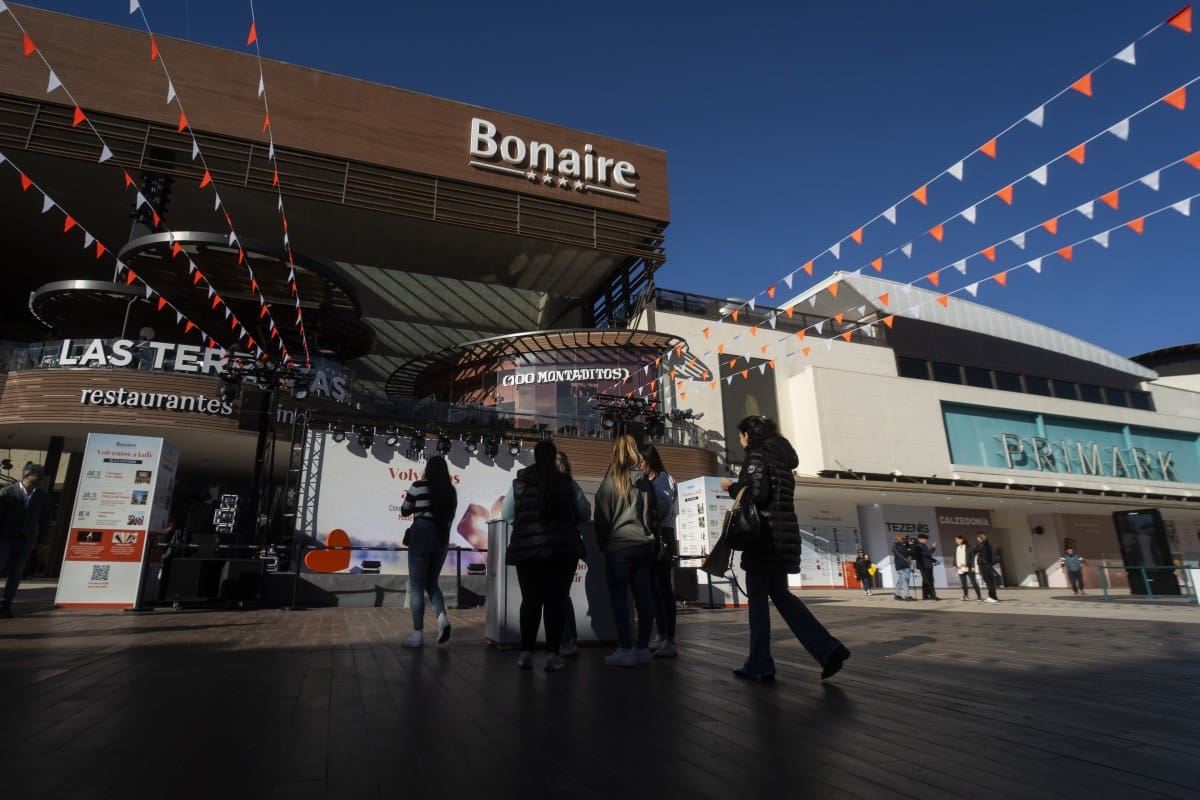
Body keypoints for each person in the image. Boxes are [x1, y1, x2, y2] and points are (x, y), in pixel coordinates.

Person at [720, 416, 850, 681]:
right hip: (782, 539)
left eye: (741, 435)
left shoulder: (757, 456)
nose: (741, 440)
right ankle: (828, 649)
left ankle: (760, 664)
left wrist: (731, 487)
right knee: (781, 595)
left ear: (748, 434)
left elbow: (757, 495)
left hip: (763, 540)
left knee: (758, 601)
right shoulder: (782, 459)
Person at [501, 441, 590, 671]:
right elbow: (584, 511)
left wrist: (525, 524)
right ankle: (553, 655)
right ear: (553, 457)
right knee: (556, 602)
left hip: (528, 549)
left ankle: (526, 653)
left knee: (530, 601)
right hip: (562, 550)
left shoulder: (520, 482)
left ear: (535, 457)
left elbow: (507, 513)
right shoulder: (567, 482)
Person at [594, 434, 658, 667]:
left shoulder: (610, 482)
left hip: (619, 546)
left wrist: (603, 542)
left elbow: (601, 519)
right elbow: (653, 514)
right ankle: (643, 648)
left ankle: (625, 648)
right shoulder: (645, 482)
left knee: (620, 598)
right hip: (644, 544)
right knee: (644, 597)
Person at [400, 456, 457, 647]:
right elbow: (450, 517)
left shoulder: (418, 486)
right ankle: (442, 618)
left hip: (421, 534)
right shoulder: (451, 491)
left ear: (428, 469)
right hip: (441, 537)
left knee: (417, 586)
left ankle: (417, 634)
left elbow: (405, 510)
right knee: (432, 582)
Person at [640, 443, 679, 658]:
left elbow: (663, 506)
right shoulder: (648, 480)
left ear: (650, 461)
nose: (639, 465)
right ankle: (661, 633)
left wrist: (649, 518)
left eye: (641, 461)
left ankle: (669, 638)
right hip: (653, 535)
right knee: (654, 587)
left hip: (662, 535)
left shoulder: (663, 479)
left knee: (663, 587)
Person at [0, 463, 51, 618]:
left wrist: (42, 542)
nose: (40, 479)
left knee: (16, 574)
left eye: (41, 477)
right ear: (26, 476)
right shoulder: (8, 492)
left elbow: (45, 520)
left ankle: (5, 605)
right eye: (37, 476)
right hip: (5, 538)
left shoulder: (42, 496)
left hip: (26, 540)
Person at [554, 451, 586, 657]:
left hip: (549, 544)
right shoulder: (571, 485)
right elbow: (585, 512)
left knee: (551, 595)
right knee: (562, 594)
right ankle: (568, 639)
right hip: (569, 545)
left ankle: (561, 640)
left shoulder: (542, 484)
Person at [953, 534, 982, 601]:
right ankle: (966, 596)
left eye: (957, 539)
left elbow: (972, 558)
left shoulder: (969, 547)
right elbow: (955, 557)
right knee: (963, 583)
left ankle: (979, 596)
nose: (956, 541)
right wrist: (954, 565)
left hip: (968, 567)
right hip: (960, 568)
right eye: (955, 540)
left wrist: (973, 566)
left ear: (961, 539)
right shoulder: (957, 548)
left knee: (973, 582)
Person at [975, 531, 1000, 603]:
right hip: (985, 564)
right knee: (988, 581)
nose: (977, 539)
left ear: (981, 538)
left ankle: (993, 597)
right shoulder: (984, 545)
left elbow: (984, 556)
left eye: (978, 537)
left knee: (989, 581)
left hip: (985, 565)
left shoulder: (984, 545)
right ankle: (992, 596)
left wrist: (981, 560)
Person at [915, 532, 939, 601]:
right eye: (925, 539)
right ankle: (933, 596)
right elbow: (926, 553)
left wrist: (934, 560)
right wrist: (933, 548)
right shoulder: (918, 546)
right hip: (924, 566)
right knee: (929, 581)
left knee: (927, 581)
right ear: (920, 539)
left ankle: (925, 596)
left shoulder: (924, 545)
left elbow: (927, 556)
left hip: (928, 565)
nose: (926, 540)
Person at [891, 534, 913, 602]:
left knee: (901, 580)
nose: (904, 540)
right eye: (903, 539)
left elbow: (906, 551)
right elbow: (906, 552)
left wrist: (907, 544)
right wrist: (911, 546)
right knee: (905, 580)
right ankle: (907, 596)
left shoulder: (899, 545)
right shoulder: (897, 546)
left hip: (902, 565)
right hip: (902, 565)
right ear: (899, 540)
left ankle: (897, 594)